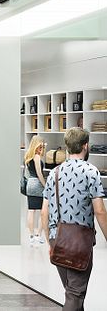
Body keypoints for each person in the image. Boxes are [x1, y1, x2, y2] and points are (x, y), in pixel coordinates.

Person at [41, 127, 107, 310]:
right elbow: (100, 211)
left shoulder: (54, 173)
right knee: (75, 294)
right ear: (86, 146)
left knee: (74, 294)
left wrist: (50, 242)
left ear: (67, 146)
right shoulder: (91, 172)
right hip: (79, 242)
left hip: (57, 238)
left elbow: (43, 213)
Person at [23, 136, 47, 246]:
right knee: (43, 210)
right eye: (40, 146)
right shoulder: (36, 157)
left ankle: (31, 236)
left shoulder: (27, 156)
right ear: (36, 145)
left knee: (31, 210)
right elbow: (39, 174)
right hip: (37, 184)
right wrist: (45, 185)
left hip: (29, 184)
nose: (41, 148)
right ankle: (38, 235)